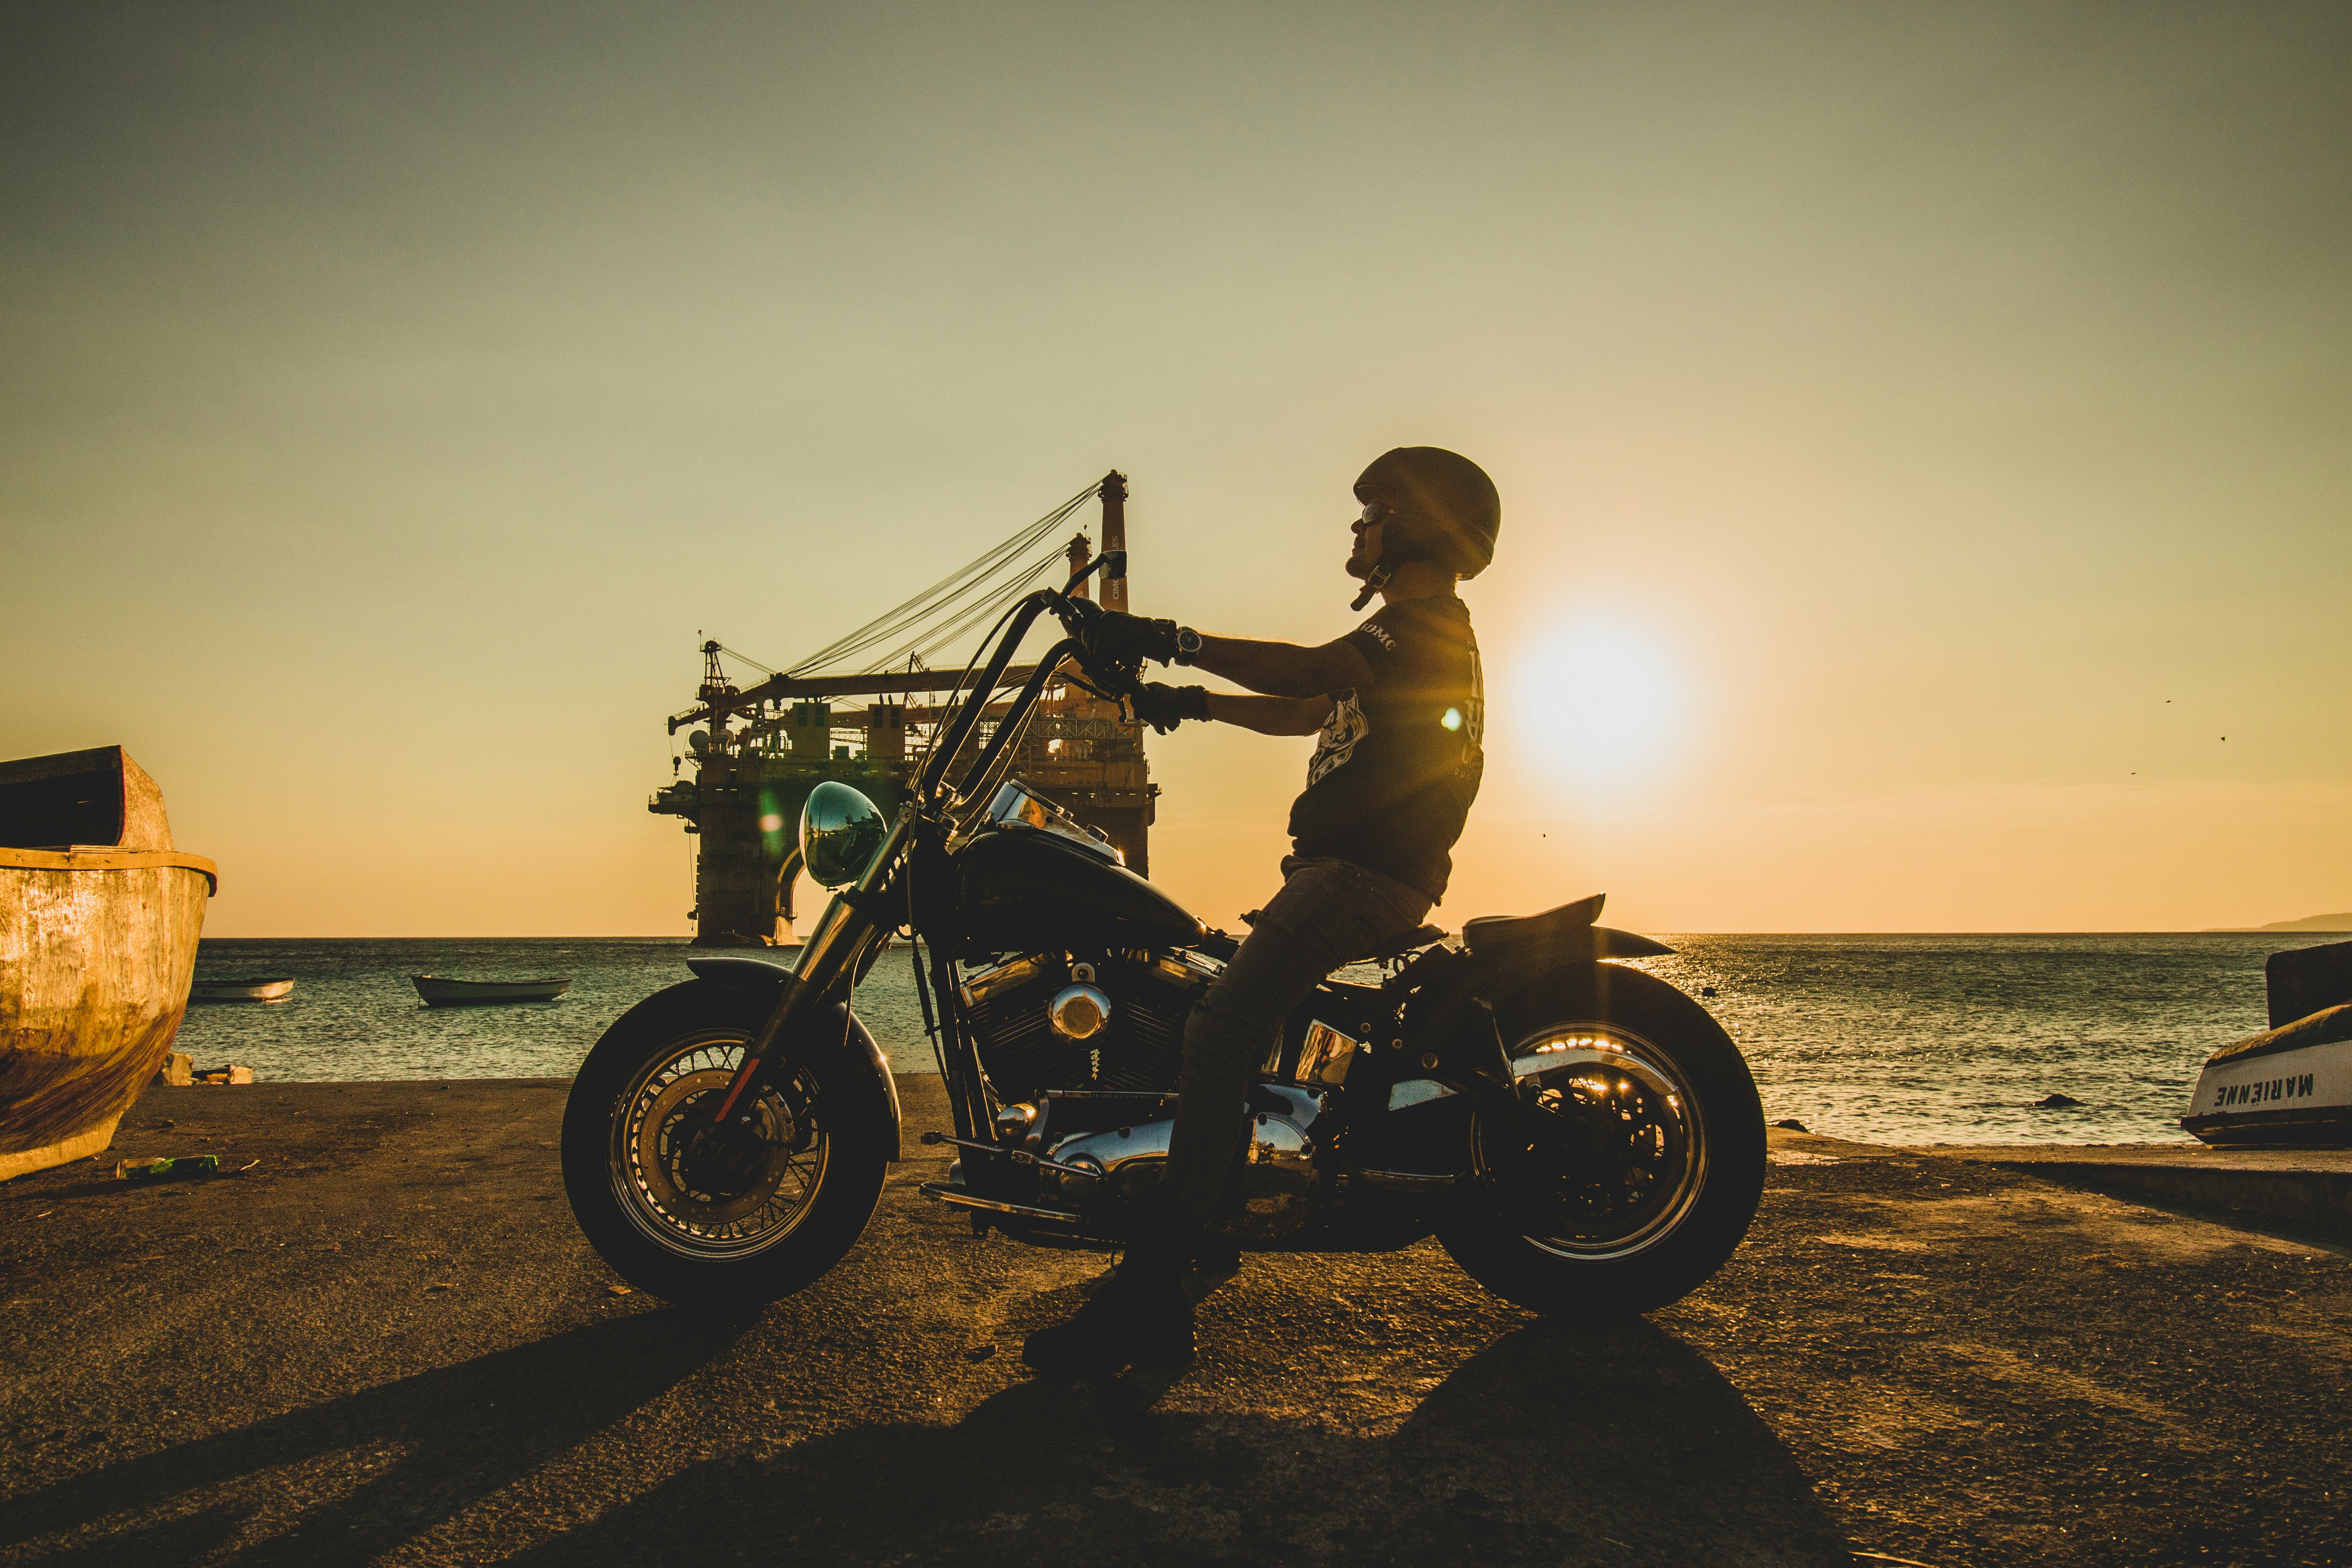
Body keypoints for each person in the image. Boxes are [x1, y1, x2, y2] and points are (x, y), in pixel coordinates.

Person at [1021, 446, 1498, 1376]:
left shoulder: (1425, 628)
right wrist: (1183, 700)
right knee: (1212, 996)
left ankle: (1159, 1286)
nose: (1356, 530)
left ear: (1411, 527)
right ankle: (1207, 1216)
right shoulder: (1414, 639)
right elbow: (1313, 704)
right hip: (1342, 868)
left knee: (1222, 1026)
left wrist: (1169, 636)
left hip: (1362, 873)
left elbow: (1308, 670)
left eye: (1372, 513)